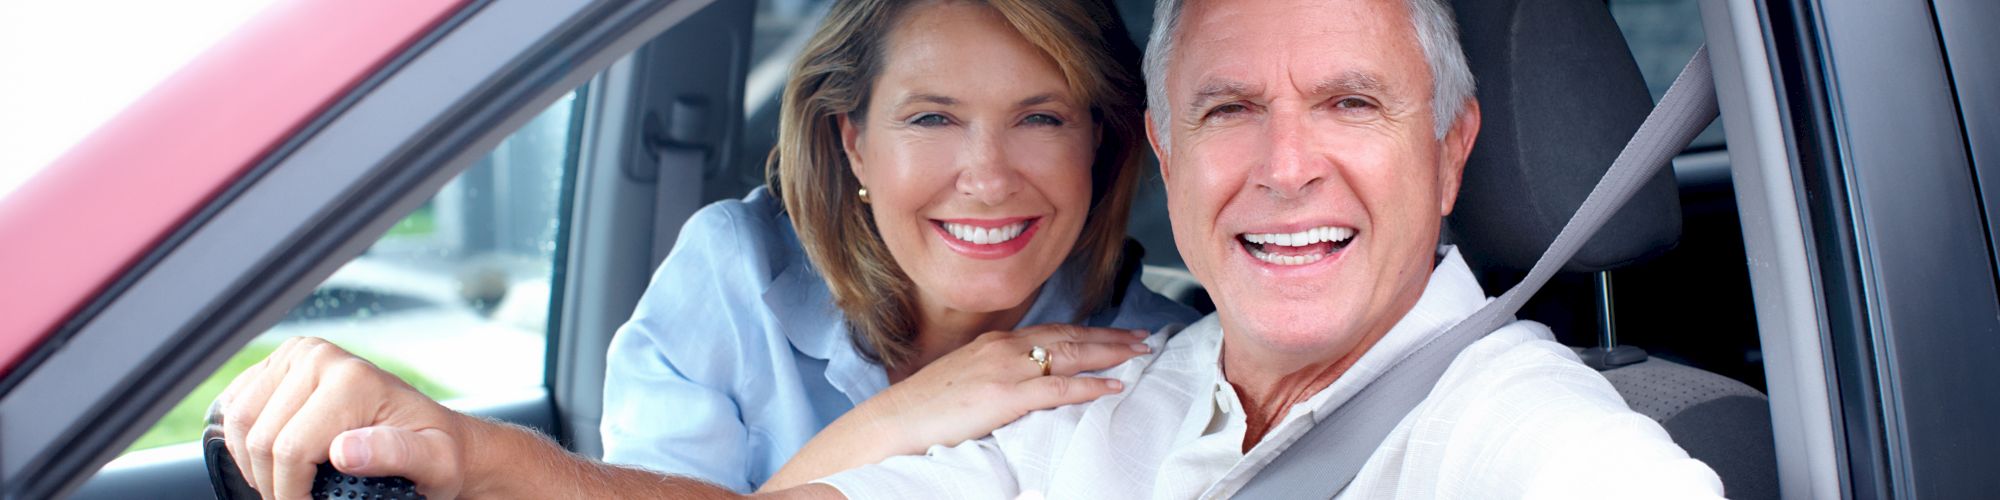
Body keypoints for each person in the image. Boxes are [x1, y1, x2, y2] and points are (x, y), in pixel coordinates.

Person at [220, 0, 1729, 498]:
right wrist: (467, 458)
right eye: (1227, 109)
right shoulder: (1114, 390)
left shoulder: (1548, 444)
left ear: (1451, 147)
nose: (1283, 165)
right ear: (1174, 153)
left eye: (1349, 102)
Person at [211, 0, 1193, 497]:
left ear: (1098, 142)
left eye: (1039, 119)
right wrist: (911, 412)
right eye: (931, 117)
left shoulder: (1159, 362)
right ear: (851, 140)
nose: (986, 175)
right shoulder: (737, 276)